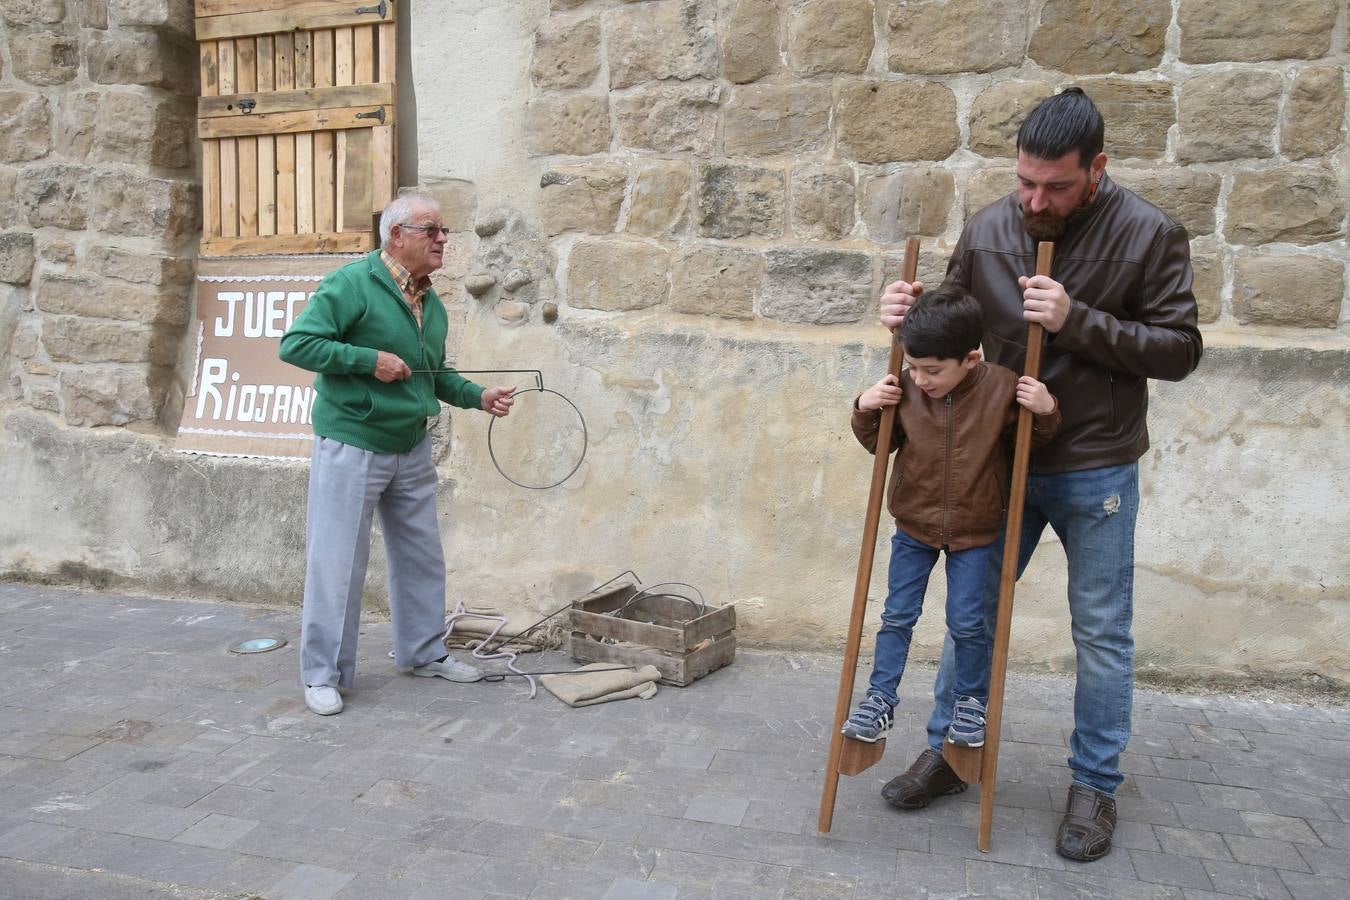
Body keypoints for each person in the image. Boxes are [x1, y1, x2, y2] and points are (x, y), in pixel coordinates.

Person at [876, 87, 1203, 862]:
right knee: (971, 614)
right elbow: (953, 320)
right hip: (997, 457)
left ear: (1098, 169)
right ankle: (955, 754)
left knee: (1100, 632)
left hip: (1095, 463)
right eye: (1026, 181)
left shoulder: (1150, 232)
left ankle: (1094, 784)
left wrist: (1075, 320)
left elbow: (1179, 350)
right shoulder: (991, 226)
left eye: (1055, 185)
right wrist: (908, 309)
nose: (1035, 199)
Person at [279, 194, 516, 717]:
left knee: (421, 555)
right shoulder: (351, 284)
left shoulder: (428, 301)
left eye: (443, 229)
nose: (442, 239)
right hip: (352, 442)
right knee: (337, 562)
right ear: (396, 236)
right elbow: (296, 345)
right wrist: (369, 361)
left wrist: (479, 396)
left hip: (409, 446)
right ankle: (323, 674)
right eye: (430, 229)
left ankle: (424, 652)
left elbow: (435, 372)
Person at [845, 291, 1060, 751]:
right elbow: (876, 443)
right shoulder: (902, 388)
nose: (920, 379)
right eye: (914, 366)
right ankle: (880, 698)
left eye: (933, 370)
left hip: (976, 532)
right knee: (897, 616)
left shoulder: (1002, 387)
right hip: (913, 527)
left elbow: (1029, 446)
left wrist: (1045, 412)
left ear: (970, 358)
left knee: (968, 623)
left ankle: (969, 703)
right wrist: (865, 407)